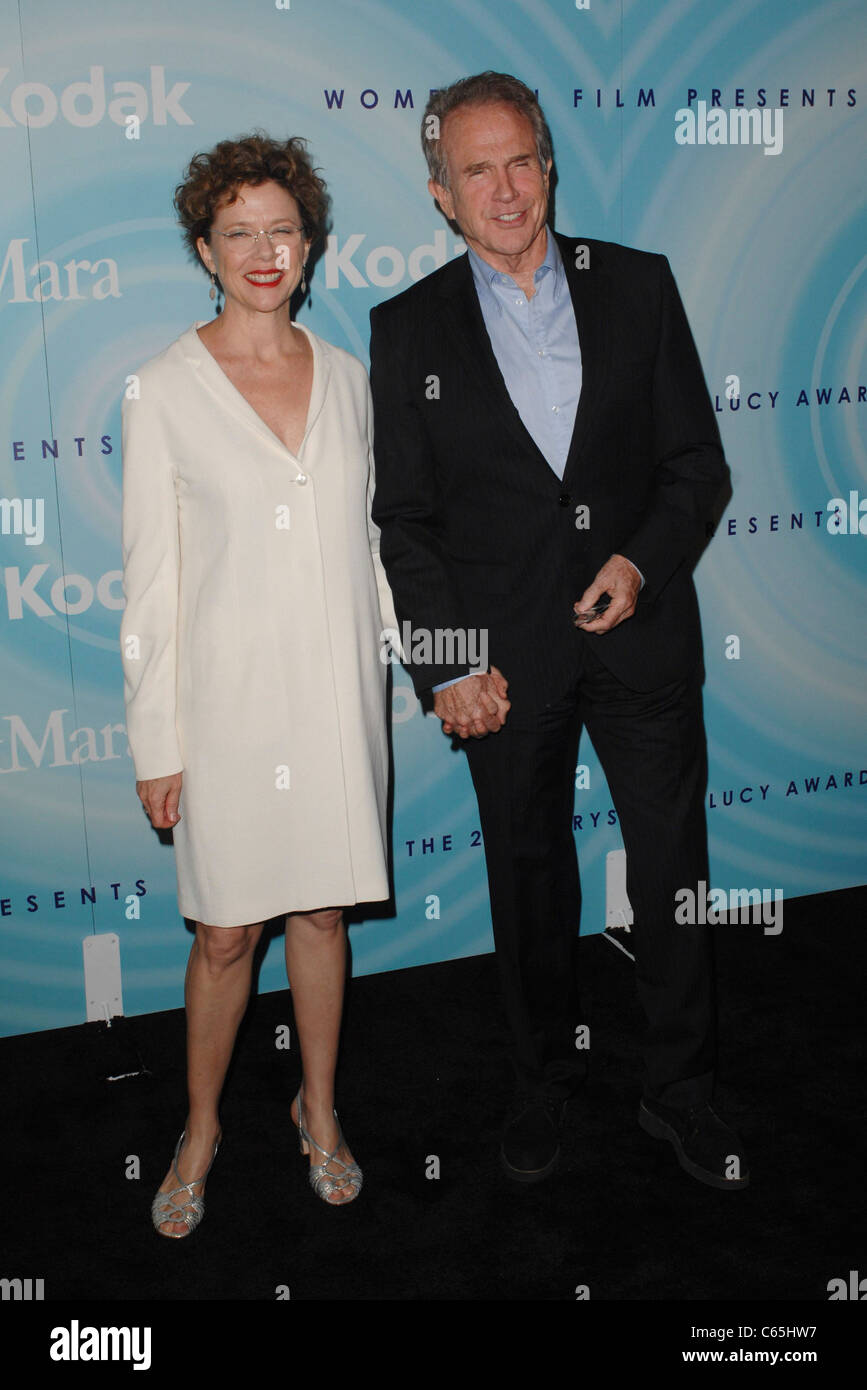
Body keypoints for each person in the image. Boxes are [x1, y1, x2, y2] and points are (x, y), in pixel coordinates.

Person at [369, 72, 747, 1189]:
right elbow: (405, 523)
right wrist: (446, 667)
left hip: (642, 641)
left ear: (550, 163)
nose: (505, 188)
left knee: (674, 873)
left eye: (521, 160)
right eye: (475, 169)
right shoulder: (408, 327)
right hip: (502, 668)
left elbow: (696, 467)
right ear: (441, 194)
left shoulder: (637, 286)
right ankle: (544, 1084)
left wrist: (637, 560)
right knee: (530, 887)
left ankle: (681, 1092)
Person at [120, 133, 396, 1234]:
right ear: (205, 249)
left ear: (311, 243)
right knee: (227, 933)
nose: (263, 250)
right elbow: (148, 586)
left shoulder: (353, 378)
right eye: (239, 232)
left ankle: (317, 1108)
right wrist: (157, 744)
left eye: (282, 229)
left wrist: (421, 662)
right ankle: (201, 1124)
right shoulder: (165, 389)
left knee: (323, 913)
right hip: (225, 711)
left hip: (334, 700)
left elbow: (371, 548)